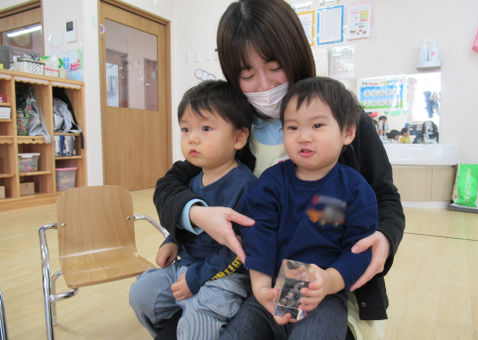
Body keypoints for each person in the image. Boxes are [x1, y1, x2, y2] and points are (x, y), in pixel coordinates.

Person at [153, 0, 405, 338]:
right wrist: (197, 214)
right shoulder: (235, 129)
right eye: (247, 74)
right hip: (249, 281)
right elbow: (173, 184)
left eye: (275, 67)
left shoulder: (343, 120)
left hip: (330, 288)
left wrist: (384, 240)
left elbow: (384, 195)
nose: (264, 85)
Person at [233, 77, 378, 339]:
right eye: (292, 127)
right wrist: (261, 286)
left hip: (323, 298)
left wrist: (330, 281)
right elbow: (258, 232)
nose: (304, 137)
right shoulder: (272, 181)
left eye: (318, 125)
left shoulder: (355, 189)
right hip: (271, 291)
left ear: (347, 132)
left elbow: (360, 248)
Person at [129, 80, 257, 339]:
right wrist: (172, 240)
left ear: (239, 137)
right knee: (142, 294)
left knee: (198, 324)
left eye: (206, 128)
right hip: (184, 266)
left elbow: (238, 251)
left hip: (224, 277)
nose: (193, 138)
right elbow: (183, 219)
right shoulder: (192, 178)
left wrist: (195, 279)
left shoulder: (245, 186)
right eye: (185, 129)